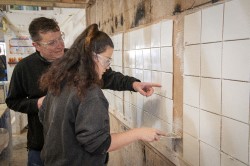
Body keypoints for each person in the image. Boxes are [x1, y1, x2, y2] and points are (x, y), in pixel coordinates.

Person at [5, 17, 161, 165]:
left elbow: (109, 76)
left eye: (60, 38)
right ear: (37, 45)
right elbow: (98, 144)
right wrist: (139, 133)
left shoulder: (60, 76)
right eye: (52, 42)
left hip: (58, 155)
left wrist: (133, 84)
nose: (59, 45)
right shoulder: (87, 92)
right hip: (48, 149)